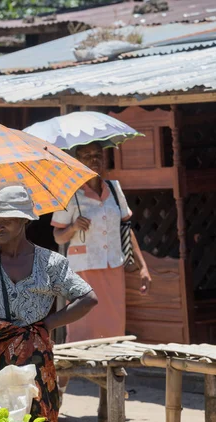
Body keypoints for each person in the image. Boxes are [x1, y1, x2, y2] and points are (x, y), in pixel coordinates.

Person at [0, 184, 98, 422]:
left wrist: (47, 324)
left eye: (7, 221)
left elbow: (88, 298)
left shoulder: (51, 263)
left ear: (24, 221)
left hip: (36, 364)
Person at [51, 141, 151, 344]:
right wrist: (73, 227)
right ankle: (74, 370)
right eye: (87, 156)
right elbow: (57, 236)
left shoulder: (114, 189)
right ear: (78, 162)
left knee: (112, 323)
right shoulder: (70, 194)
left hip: (112, 265)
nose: (93, 160)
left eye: (97, 155)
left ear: (104, 159)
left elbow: (126, 229)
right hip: (83, 269)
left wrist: (143, 267)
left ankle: (110, 368)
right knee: (83, 323)